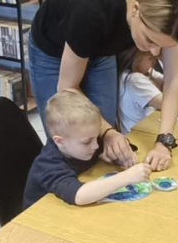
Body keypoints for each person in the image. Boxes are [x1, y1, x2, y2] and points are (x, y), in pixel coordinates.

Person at [29, 0, 178, 172]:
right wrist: (108, 132)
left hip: (102, 48)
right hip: (53, 50)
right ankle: (63, 186)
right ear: (135, 8)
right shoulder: (91, 9)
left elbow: (173, 79)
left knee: (104, 139)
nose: (155, 53)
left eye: (163, 46)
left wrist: (164, 142)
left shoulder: (174, 9)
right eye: (150, 40)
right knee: (74, 138)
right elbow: (67, 88)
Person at [22, 89, 151, 210]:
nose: (95, 146)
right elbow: (79, 195)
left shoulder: (81, 140)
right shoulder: (48, 165)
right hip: (40, 217)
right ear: (60, 141)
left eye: (97, 136)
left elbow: (110, 147)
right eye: (87, 142)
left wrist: (119, 156)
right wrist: (126, 177)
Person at [117, 47, 178, 133]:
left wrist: (165, 60)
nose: (154, 62)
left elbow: (173, 86)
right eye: (150, 58)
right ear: (136, 58)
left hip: (151, 123)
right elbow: (167, 103)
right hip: (138, 133)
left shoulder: (147, 72)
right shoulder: (134, 79)